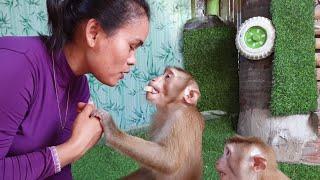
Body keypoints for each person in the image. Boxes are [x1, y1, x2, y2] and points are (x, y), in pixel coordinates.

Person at [0, 0, 150, 179]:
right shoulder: (16, 64)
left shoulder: (80, 88)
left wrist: (67, 152)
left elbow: (59, 172)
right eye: (132, 46)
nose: (133, 60)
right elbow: (63, 156)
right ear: (93, 32)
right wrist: (74, 148)